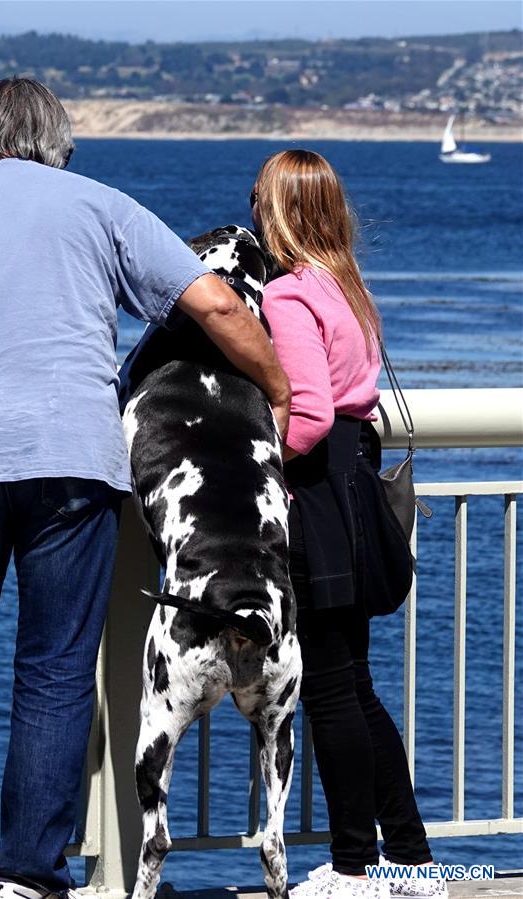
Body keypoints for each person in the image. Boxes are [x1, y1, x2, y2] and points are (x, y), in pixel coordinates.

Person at [0, 78, 291, 899]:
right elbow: (217, 305)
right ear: (59, 141)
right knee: (55, 671)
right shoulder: (99, 206)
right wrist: (277, 390)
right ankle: (29, 878)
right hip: (73, 464)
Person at [251, 150, 447, 899]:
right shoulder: (347, 285)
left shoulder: (293, 296)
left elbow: (306, 417)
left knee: (330, 688)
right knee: (356, 685)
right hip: (356, 488)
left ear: (283, 212)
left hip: (317, 494)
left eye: (260, 200)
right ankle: (413, 858)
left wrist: (254, 466)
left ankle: (353, 866)